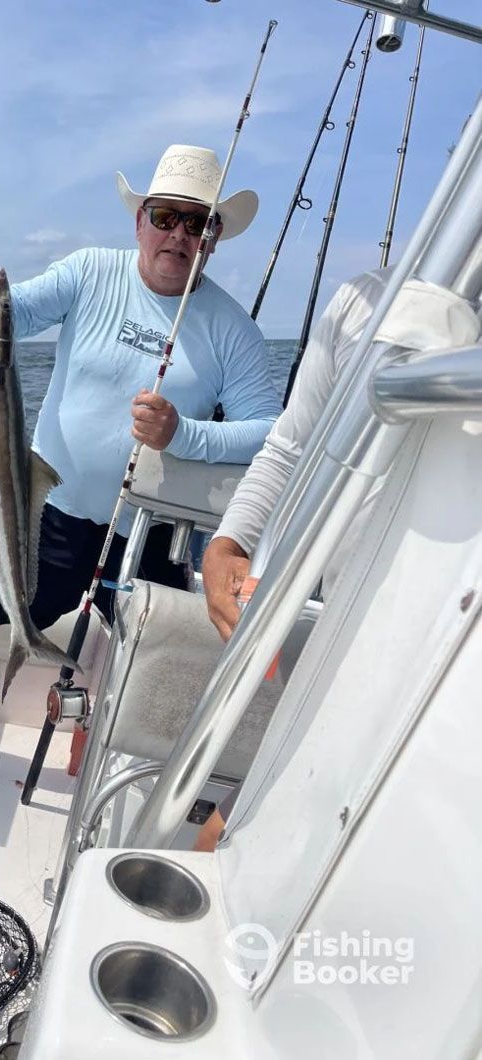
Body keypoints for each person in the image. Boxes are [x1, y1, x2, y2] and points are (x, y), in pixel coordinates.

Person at [0, 143, 282, 794]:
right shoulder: (88, 273)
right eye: (166, 215)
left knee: (146, 652)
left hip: (149, 529)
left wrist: (183, 432)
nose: (179, 235)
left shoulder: (233, 331)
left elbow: (267, 433)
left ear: (215, 237)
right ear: (139, 217)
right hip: (42, 512)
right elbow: (6, 315)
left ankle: (100, 760)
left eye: (198, 223)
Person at [194, 266, 481, 850]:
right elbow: (290, 445)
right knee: (226, 838)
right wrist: (230, 542)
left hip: (451, 664)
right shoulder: (362, 301)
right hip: (352, 632)